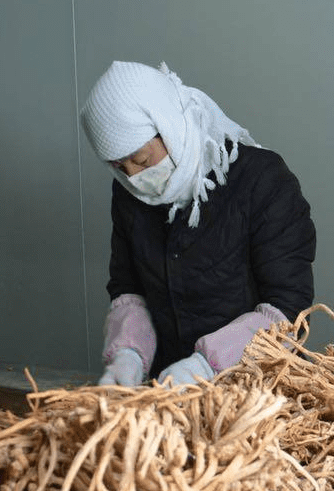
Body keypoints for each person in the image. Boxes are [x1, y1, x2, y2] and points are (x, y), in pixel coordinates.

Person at [79, 61, 316, 387]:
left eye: (143, 159)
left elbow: (287, 309)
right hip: (169, 387)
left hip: (260, 390)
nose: (135, 177)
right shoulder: (129, 194)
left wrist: (208, 365)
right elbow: (129, 287)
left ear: (168, 125)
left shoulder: (261, 181)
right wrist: (129, 353)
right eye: (120, 167)